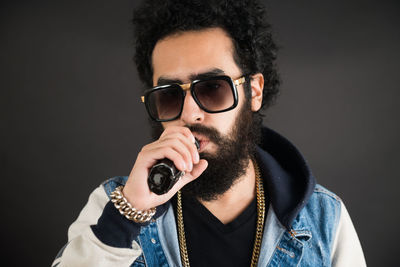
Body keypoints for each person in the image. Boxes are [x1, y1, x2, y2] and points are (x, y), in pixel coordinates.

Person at [52, 0, 366, 266]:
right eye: (170, 95)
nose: (190, 113)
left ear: (254, 92)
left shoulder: (325, 219)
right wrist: (129, 214)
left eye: (213, 88)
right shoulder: (114, 204)